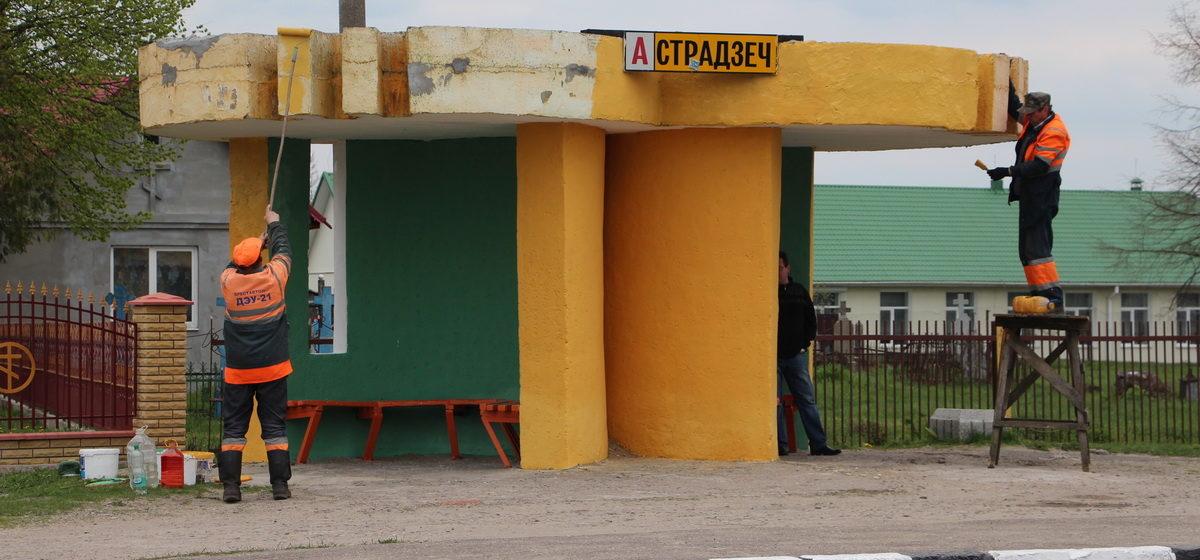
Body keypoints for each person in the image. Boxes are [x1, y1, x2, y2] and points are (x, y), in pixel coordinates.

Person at [218, 207, 293, 503]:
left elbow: (234, 264)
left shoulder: (228, 282)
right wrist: (273, 226)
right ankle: (280, 486)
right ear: (261, 259)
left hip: (239, 373)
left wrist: (253, 246)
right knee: (274, 429)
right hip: (273, 369)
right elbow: (284, 251)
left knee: (234, 430)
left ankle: (231, 488)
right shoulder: (274, 278)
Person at [985, 86, 1071, 310]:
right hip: (1031, 194)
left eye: (1032, 113)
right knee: (1027, 248)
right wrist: (1007, 83)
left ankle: (1052, 295)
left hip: (1043, 194)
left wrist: (1007, 171)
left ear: (1045, 110)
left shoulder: (1054, 131)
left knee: (1037, 247)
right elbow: (1016, 109)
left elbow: (1040, 166)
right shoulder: (1035, 124)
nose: (1028, 117)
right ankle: (1039, 293)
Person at [777, 251, 840, 457]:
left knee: (807, 399)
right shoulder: (768, 293)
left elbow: (811, 319)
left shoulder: (799, 292)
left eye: (780, 268)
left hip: (796, 356)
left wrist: (805, 344)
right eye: (774, 269)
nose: (777, 272)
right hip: (773, 357)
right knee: (775, 401)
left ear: (788, 268)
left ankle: (819, 444)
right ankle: (780, 445)